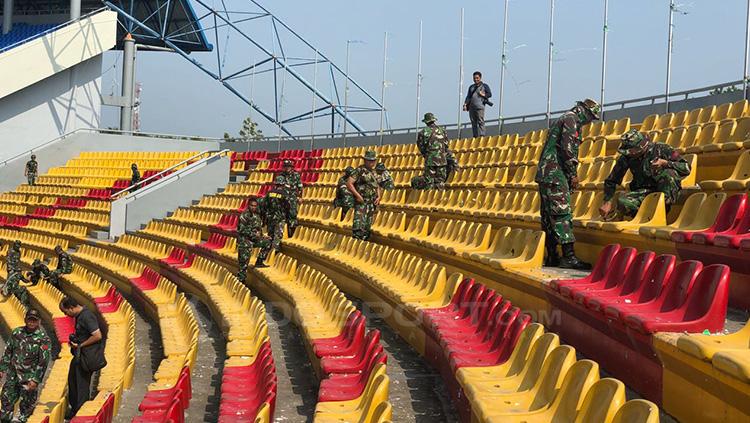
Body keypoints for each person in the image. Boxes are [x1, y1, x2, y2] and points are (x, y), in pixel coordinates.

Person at [535, 98, 601, 270]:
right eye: (591, 117)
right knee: (561, 212)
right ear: (585, 111)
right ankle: (568, 256)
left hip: (546, 173)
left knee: (548, 216)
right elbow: (567, 148)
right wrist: (572, 174)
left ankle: (551, 256)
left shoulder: (564, 117)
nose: (589, 122)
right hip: (555, 172)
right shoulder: (571, 120)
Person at [599, 130, 691, 220]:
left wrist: (665, 163)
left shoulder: (661, 148)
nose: (631, 154)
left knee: (669, 174)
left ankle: (662, 209)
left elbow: (686, 168)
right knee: (623, 202)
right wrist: (607, 201)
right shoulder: (627, 157)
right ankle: (643, 218)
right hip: (643, 190)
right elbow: (611, 180)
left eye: (632, 150)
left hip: (664, 190)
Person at [0, 309, 51, 423]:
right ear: (25, 320)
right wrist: (2, 369)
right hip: (13, 375)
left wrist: (36, 380)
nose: (31, 323)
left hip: (29, 378)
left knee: (26, 409)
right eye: (29, 320)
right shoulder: (17, 333)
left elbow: (43, 362)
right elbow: (8, 351)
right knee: (6, 400)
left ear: (39, 322)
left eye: (34, 320)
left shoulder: (43, 339)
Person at [60, 297, 104, 419]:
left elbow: (97, 335)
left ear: (71, 308)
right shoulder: (79, 316)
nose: (66, 315)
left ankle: (81, 415)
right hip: (80, 355)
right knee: (73, 381)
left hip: (86, 357)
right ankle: (75, 409)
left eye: (65, 312)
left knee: (81, 386)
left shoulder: (86, 316)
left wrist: (80, 345)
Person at [412, 113, 457, 190]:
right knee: (440, 182)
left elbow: (421, 147)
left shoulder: (422, 132)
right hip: (442, 160)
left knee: (429, 182)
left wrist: (426, 154)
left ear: (426, 122)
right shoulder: (442, 131)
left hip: (430, 160)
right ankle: (439, 198)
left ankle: (429, 199)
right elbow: (446, 145)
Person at [346, 151, 380, 241]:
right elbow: (349, 183)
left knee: (367, 228)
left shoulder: (374, 172)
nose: (372, 162)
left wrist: (378, 196)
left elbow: (377, 185)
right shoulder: (359, 170)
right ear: (365, 160)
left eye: (373, 161)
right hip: (362, 203)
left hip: (371, 203)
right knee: (358, 228)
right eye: (369, 160)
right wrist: (358, 196)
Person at [236, 197, 271, 282]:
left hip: (254, 239)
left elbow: (258, 228)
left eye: (255, 206)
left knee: (268, 243)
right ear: (249, 205)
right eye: (252, 206)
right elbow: (241, 229)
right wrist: (253, 234)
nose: (253, 207)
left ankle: (259, 261)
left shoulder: (257, 215)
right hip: (245, 241)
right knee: (244, 263)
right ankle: (241, 279)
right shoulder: (244, 215)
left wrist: (263, 236)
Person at [261, 176, 294, 251]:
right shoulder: (284, 194)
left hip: (270, 218)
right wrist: (289, 218)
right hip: (280, 218)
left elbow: (264, 205)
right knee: (277, 236)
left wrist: (264, 217)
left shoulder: (269, 193)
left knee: (270, 235)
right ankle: (274, 252)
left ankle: (267, 251)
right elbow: (289, 206)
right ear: (283, 184)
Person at [463, 71, 493, 137]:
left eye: (477, 78)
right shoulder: (471, 87)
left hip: (480, 106)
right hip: (471, 107)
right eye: (474, 78)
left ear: (480, 78)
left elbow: (489, 94)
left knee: (480, 120)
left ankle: (482, 134)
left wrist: (483, 94)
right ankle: (475, 136)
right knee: (473, 122)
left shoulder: (484, 86)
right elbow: (468, 96)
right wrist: (465, 104)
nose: (476, 79)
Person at [277, 159, 302, 232]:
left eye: (288, 166)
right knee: (283, 216)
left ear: (291, 167)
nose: (287, 168)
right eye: (285, 166)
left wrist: (300, 197)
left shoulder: (296, 175)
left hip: (293, 199)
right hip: (283, 199)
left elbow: (300, 187)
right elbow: (277, 188)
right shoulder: (280, 176)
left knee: (293, 215)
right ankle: (283, 232)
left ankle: (292, 232)